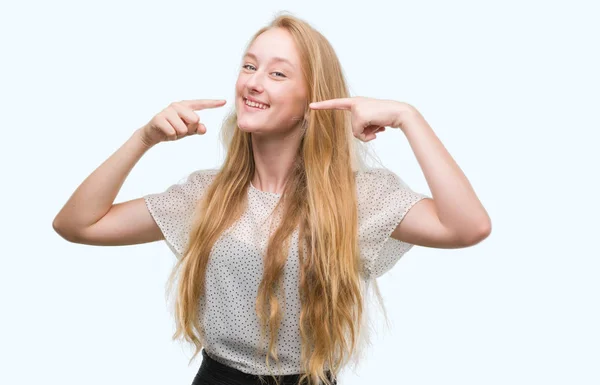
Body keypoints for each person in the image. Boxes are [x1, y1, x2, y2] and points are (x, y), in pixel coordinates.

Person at [52, 12, 491, 385]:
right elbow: (77, 224)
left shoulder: (359, 199)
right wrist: (143, 138)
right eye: (249, 66)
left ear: (312, 100)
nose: (253, 83)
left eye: (277, 73)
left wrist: (407, 117)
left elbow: (467, 226)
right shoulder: (206, 195)